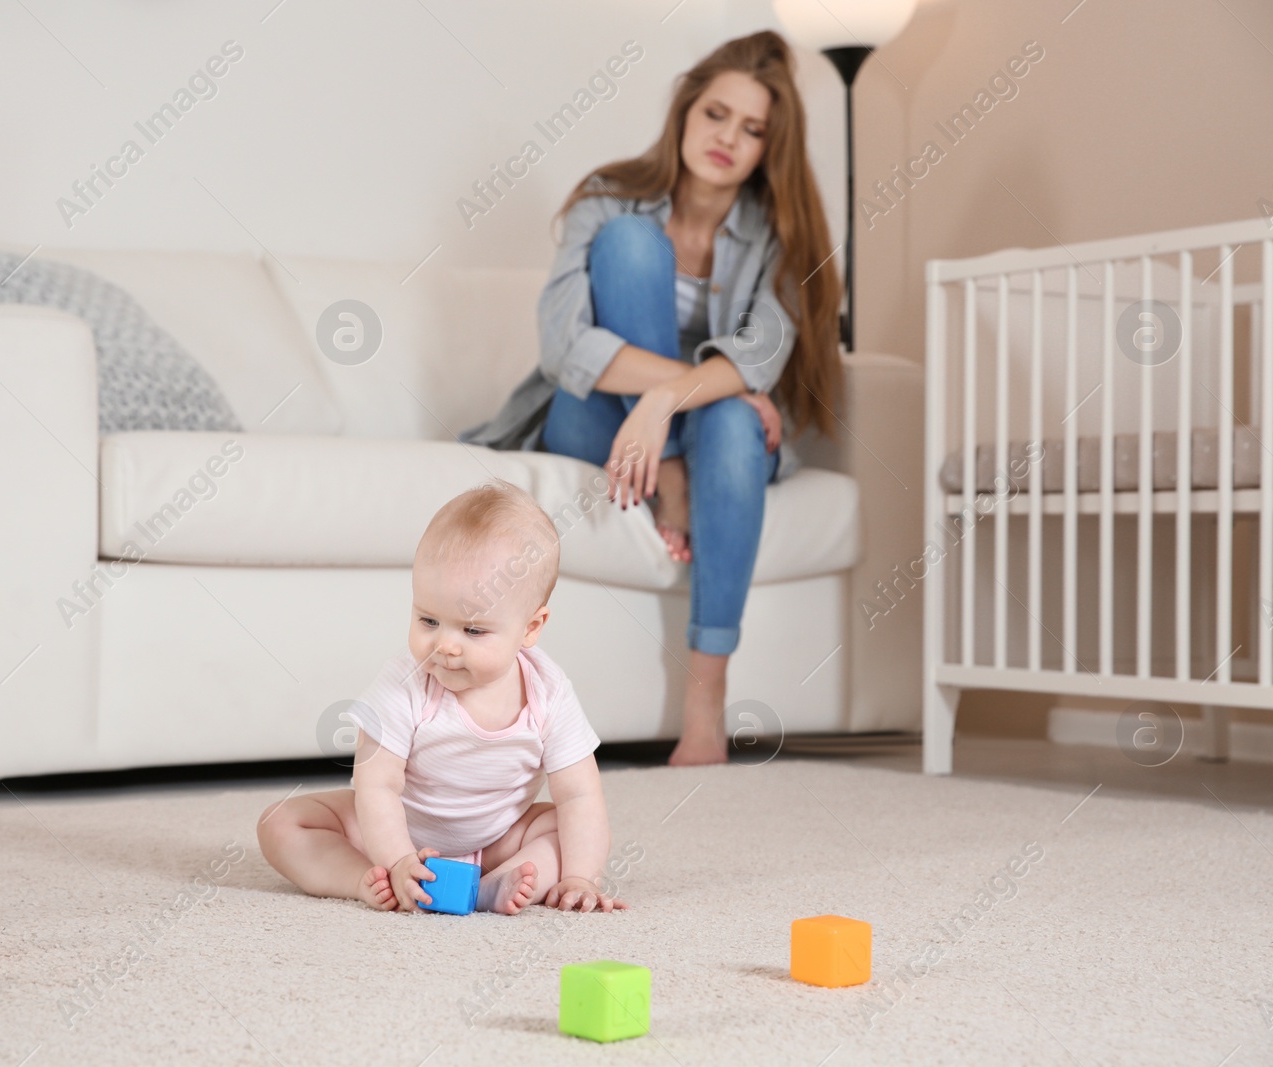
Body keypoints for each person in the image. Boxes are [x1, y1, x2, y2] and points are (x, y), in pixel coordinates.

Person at [458, 31, 843, 767]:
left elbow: (762, 353)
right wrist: (692, 388)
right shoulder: (608, 201)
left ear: (771, 147)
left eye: (753, 129)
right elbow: (566, 348)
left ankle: (705, 711)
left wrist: (665, 398)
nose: (728, 137)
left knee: (734, 419)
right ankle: (669, 477)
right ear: (685, 112)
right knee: (636, 250)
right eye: (716, 114)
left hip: (695, 430)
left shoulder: (779, 232)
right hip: (589, 417)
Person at [256, 479, 628, 914]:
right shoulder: (404, 682)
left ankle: (489, 886)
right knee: (281, 823)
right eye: (429, 620)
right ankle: (362, 880)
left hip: (496, 840)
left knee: (559, 826)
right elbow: (377, 787)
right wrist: (396, 858)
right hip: (398, 831)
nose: (445, 646)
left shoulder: (548, 691)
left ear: (530, 627)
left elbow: (580, 795)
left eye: (472, 630)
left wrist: (581, 877)